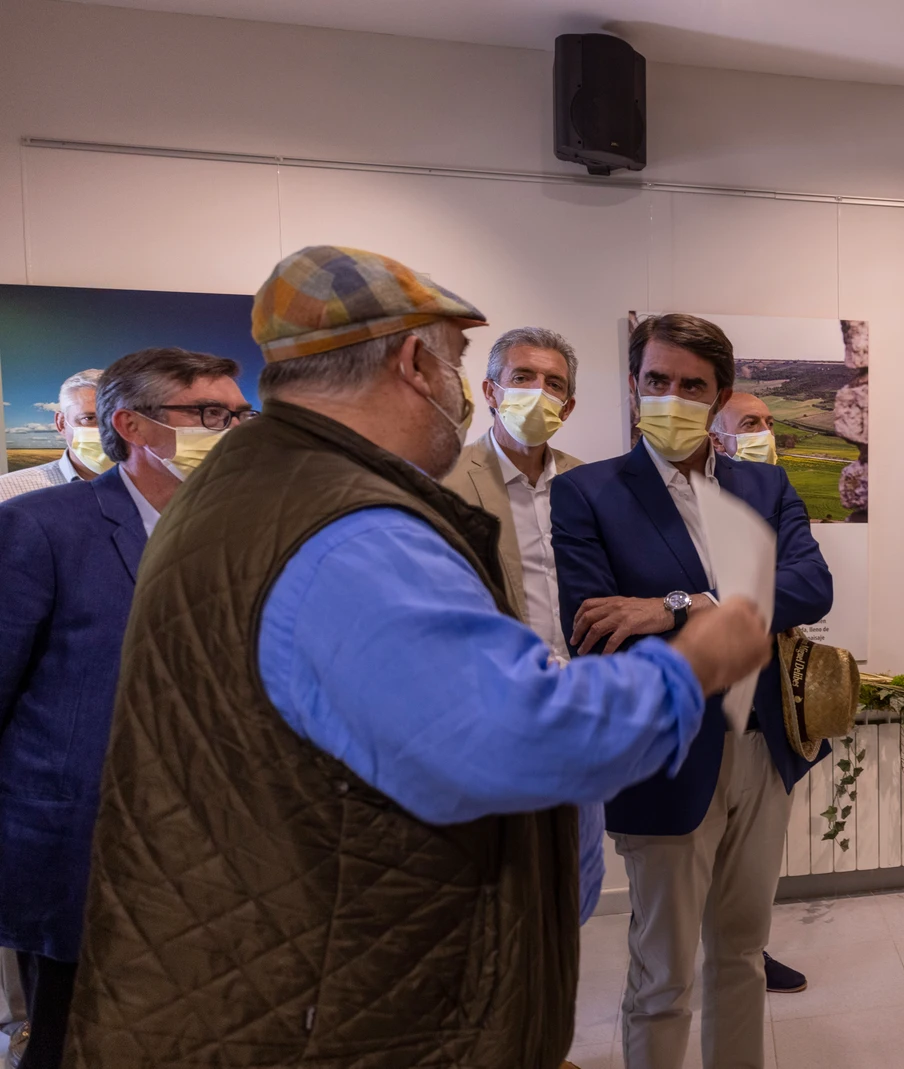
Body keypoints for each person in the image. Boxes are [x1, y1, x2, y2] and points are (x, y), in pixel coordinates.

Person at [67, 246, 771, 1069]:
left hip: (274, 965)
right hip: (337, 1007)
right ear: (413, 360)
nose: (464, 392)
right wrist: (690, 664)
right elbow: (514, 736)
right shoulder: (351, 532)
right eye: (461, 361)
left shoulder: (246, 490)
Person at [551, 313, 833, 1069]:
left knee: (741, 953)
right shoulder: (587, 493)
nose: (670, 397)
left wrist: (677, 606)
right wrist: (730, 599)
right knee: (663, 974)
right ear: (636, 384)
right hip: (665, 753)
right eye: (656, 381)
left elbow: (811, 586)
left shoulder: (765, 484)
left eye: (691, 385)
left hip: (763, 746)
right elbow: (595, 624)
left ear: (721, 395)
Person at [0, 348, 250, 1069]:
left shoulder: (239, 530)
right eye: (207, 414)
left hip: (213, 844)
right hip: (80, 845)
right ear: (131, 425)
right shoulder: (41, 527)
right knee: (70, 1039)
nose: (229, 429)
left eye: (237, 414)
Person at [442, 325, 608, 927]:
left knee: (581, 870)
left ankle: (556, 985)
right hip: (495, 714)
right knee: (496, 880)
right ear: (491, 389)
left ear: (569, 404)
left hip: (581, 708)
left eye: (554, 384)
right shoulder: (446, 484)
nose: (539, 393)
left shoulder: (595, 485)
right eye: (523, 378)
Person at [0, 370, 109, 503]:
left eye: (119, 420)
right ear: (61, 423)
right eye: (89, 418)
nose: (109, 431)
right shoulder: (7, 493)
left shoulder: (141, 487)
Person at [710, 391, 778, 464]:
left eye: (770, 424)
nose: (767, 432)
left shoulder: (777, 474)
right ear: (717, 441)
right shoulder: (700, 475)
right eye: (751, 423)